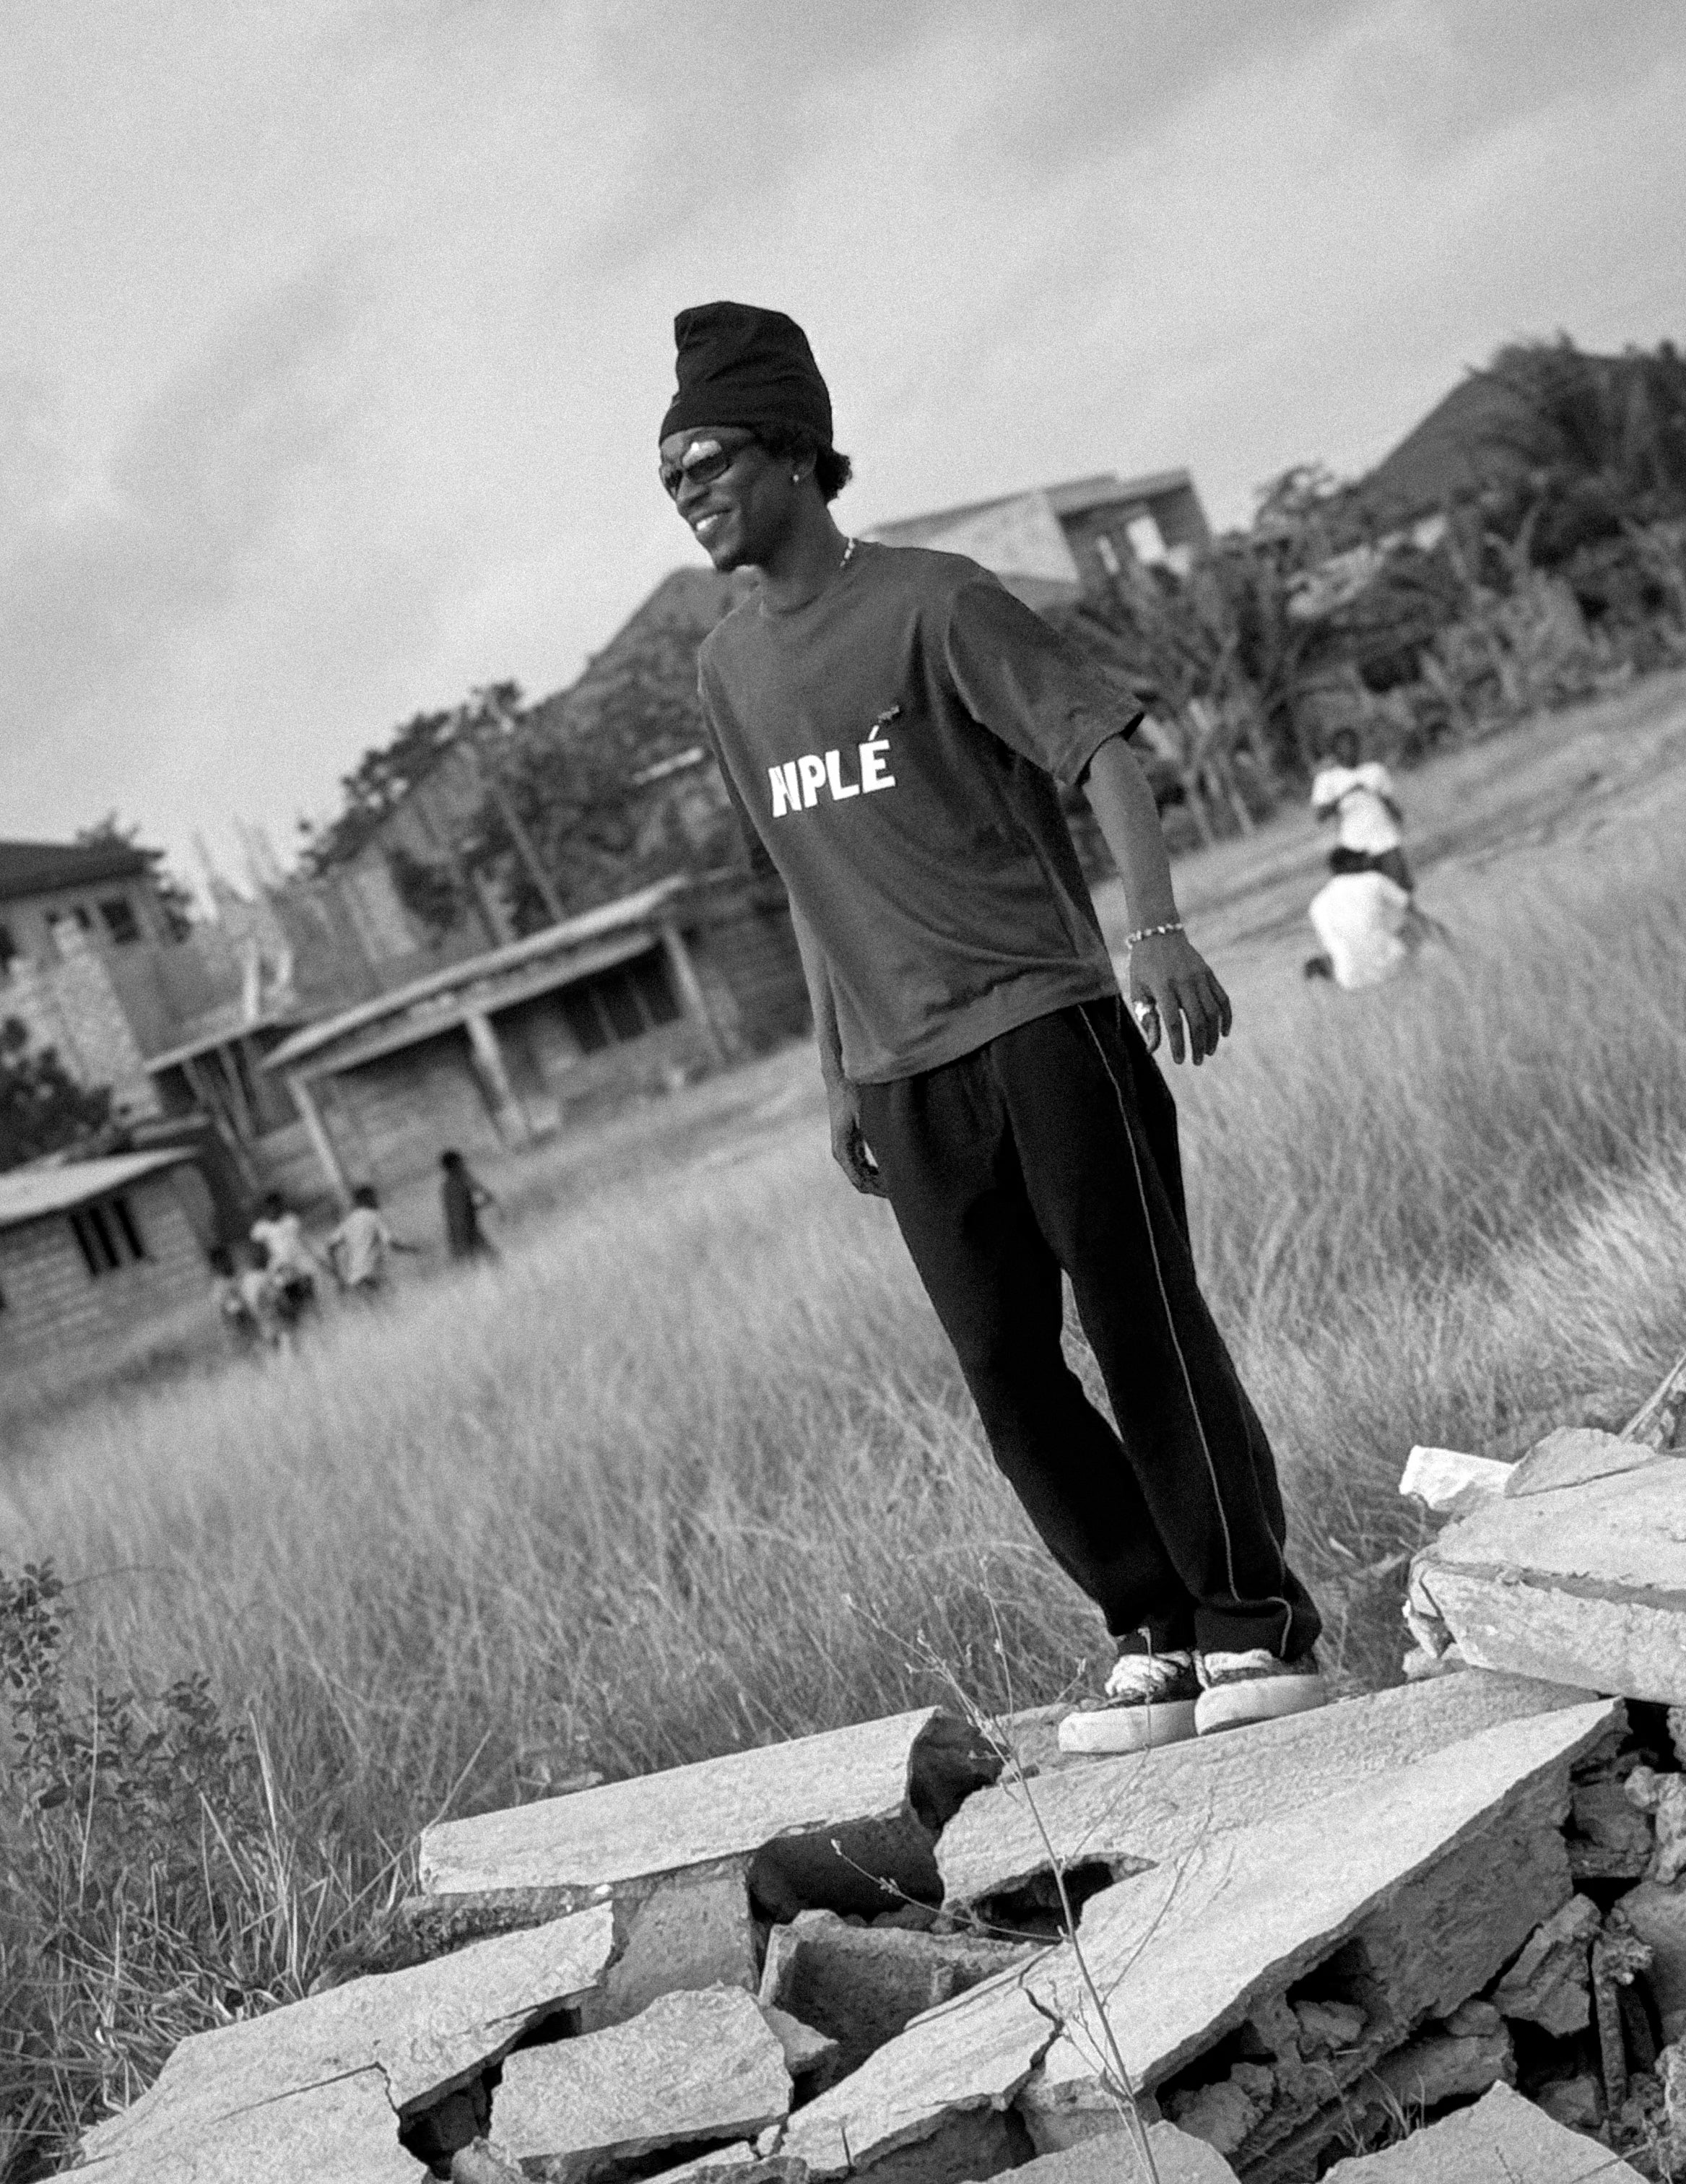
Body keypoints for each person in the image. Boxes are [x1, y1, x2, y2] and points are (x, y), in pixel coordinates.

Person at [664, 300, 1324, 1755]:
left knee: (1141, 1323)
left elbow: (1106, 756)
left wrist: (1154, 932)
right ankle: (1147, 1622)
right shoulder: (725, 674)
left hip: (1048, 1026)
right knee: (1007, 1369)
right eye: (671, 474)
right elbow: (801, 878)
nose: (689, 490)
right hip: (907, 1079)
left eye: (709, 458)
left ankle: (1253, 1621)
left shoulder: (936, 602)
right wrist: (835, 1071)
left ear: (792, 454)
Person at [1309, 727, 1413, 894]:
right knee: (1368, 895)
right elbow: (1320, 816)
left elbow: (1389, 802)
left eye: (1353, 744)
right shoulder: (1327, 779)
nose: (1350, 749)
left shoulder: (1374, 771)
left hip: (1386, 840)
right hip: (1356, 848)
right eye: (1344, 746)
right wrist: (1345, 795)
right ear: (1336, 751)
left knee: (1402, 891)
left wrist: (1401, 821)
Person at [1302, 846, 1413, 991]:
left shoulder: (1316, 905)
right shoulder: (1374, 879)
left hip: (1349, 980)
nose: (1367, 862)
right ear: (1349, 864)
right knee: (1409, 926)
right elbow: (1412, 910)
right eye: (1361, 860)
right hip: (1393, 966)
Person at [328, 1184, 420, 1299]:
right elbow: (392, 1245)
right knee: (393, 1307)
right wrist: (415, 1251)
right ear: (367, 1199)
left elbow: (331, 1247)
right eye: (374, 1197)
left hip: (355, 1280)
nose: (377, 1200)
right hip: (371, 1276)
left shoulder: (349, 1221)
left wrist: (339, 1277)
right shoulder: (374, 1216)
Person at [250, 1191, 327, 1327]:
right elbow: (259, 1253)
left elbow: (302, 1241)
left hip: (298, 1260)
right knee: (286, 1292)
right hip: (279, 1265)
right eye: (271, 1208)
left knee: (309, 1285)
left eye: (277, 1207)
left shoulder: (290, 1220)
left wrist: (317, 1259)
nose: (274, 1211)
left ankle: (317, 1318)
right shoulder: (261, 1228)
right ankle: (295, 1319)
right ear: (266, 1210)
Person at [438, 1150, 497, 1262]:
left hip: (456, 1232)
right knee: (492, 1259)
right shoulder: (462, 1181)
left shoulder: (447, 1186)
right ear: (456, 1165)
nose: (463, 1165)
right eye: (460, 1163)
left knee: (473, 1264)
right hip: (468, 1230)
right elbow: (488, 1197)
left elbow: (454, 1212)